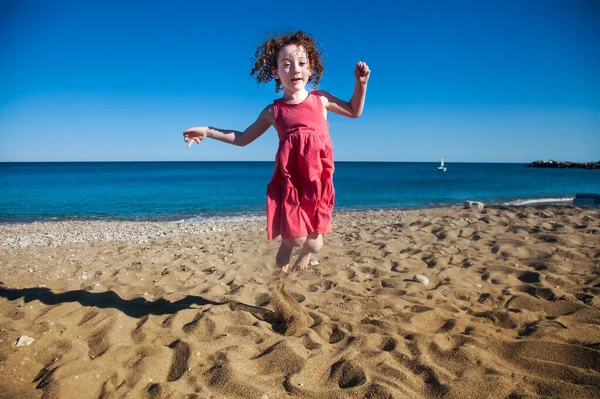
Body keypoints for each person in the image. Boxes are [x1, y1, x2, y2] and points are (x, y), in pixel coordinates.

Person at [183, 31, 370, 272]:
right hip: (291, 183)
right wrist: (208, 131)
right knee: (295, 239)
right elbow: (242, 138)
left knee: (314, 244)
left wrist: (360, 84)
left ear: (311, 69)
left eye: (302, 63)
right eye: (287, 64)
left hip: (318, 183)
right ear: (276, 72)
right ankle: (279, 275)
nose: (295, 69)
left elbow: (354, 110)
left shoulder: (320, 99)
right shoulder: (274, 111)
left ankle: (304, 256)